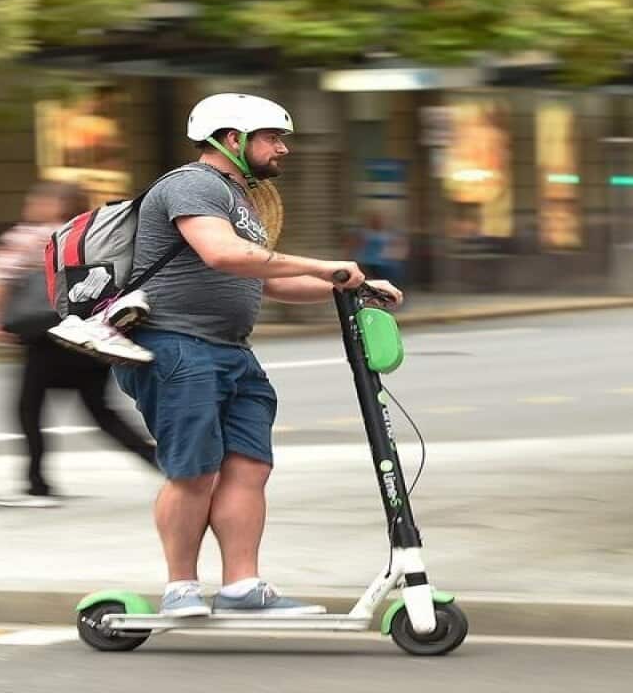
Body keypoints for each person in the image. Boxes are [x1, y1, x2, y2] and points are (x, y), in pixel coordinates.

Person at [62, 93, 403, 616]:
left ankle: (242, 586)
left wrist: (351, 288)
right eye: (273, 137)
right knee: (195, 472)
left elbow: (271, 283)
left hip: (231, 351)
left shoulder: (243, 200)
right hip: (175, 345)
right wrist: (326, 264)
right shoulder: (192, 184)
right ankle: (181, 589)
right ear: (230, 139)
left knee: (248, 467)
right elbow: (222, 253)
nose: (283, 148)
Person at [0, 180, 158, 508]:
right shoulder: (93, 233)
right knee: (101, 412)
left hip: (47, 336)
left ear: (55, 204)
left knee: (29, 409)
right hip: (91, 334)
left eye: (38, 198)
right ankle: (165, 464)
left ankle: (37, 485)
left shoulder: (32, 235)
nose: (32, 203)